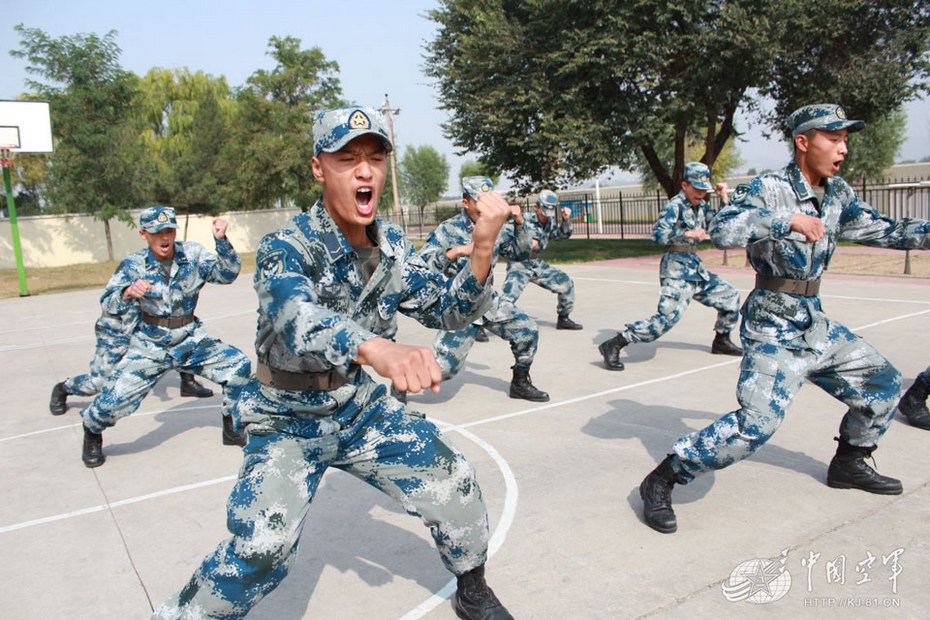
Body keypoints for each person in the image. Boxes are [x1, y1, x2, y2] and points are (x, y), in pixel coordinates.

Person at [152, 106, 514, 620]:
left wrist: (482, 248)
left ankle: (471, 589)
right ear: (319, 168)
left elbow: (448, 311)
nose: (365, 171)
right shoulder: (287, 246)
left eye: (375, 158)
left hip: (356, 405)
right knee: (260, 552)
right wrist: (376, 348)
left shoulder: (392, 247)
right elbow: (295, 316)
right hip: (285, 416)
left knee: (452, 479)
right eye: (348, 159)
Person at [638, 104, 930, 534]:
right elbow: (723, 229)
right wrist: (786, 220)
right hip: (771, 323)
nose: (843, 149)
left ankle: (849, 463)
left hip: (813, 322)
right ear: (803, 142)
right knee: (756, 425)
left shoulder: (838, 194)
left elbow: (885, 229)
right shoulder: (768, 188)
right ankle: (664, 478)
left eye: (845, 140)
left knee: (882, 384)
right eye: (834, 138)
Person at [78, 206, 251, 467]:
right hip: (150, 345)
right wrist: (127, 292)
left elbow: (227, 275)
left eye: (169, 230)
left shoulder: (192, 255)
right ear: (144, 234)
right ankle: (92, 430)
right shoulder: (133, 265)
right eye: (157, 232)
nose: (165, 237)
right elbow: (108, 303)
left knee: (238, 366)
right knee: (112, 401)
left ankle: (233, 427)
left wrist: (221, 241)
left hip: (189, 340)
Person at [597, 162, 742, 371]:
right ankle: (615, 343)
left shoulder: (701, 207)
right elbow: (657, 235)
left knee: (729, 297)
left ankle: (722, 340)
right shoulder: (675, 206)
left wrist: (724, 198)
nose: (701, 193)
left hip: (695, 269)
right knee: (666, 319)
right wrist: (686, 234)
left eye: (704, 189)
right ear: (685, 185)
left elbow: (723, 225)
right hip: (676, 270)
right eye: (697, 188)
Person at [420, 176, 550, 402]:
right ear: (466, 202)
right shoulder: (448, 229)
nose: (485, 206)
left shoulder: (496, 225)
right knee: (444, 370)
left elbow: (521, 254)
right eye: (479, 201)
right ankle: (402, 383)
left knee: (528, 330)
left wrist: (520, 224)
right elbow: (423, 265)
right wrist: (457, 251)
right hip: (458, 305)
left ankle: (520, 383)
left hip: (487, 300)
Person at [49, 309, 213, 416]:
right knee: (98, 383)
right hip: (117, 329)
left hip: (150, 327)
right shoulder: (131, 271)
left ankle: (188, 382)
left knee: (183, 343)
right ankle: (64, 388)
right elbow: (112, 302)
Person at [501, 189, 583, 330]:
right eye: (544, 211)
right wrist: (526, 244)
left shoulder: (548, 222)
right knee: (508, 298)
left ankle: (563, 318)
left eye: (549, 212)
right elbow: (503, 240)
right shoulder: (522, 219)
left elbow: (560, 235)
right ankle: (480, 325)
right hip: (519, 264)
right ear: (537, 207)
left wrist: (566, 220)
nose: (546, 216)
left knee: (566, 283)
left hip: (537, 264)